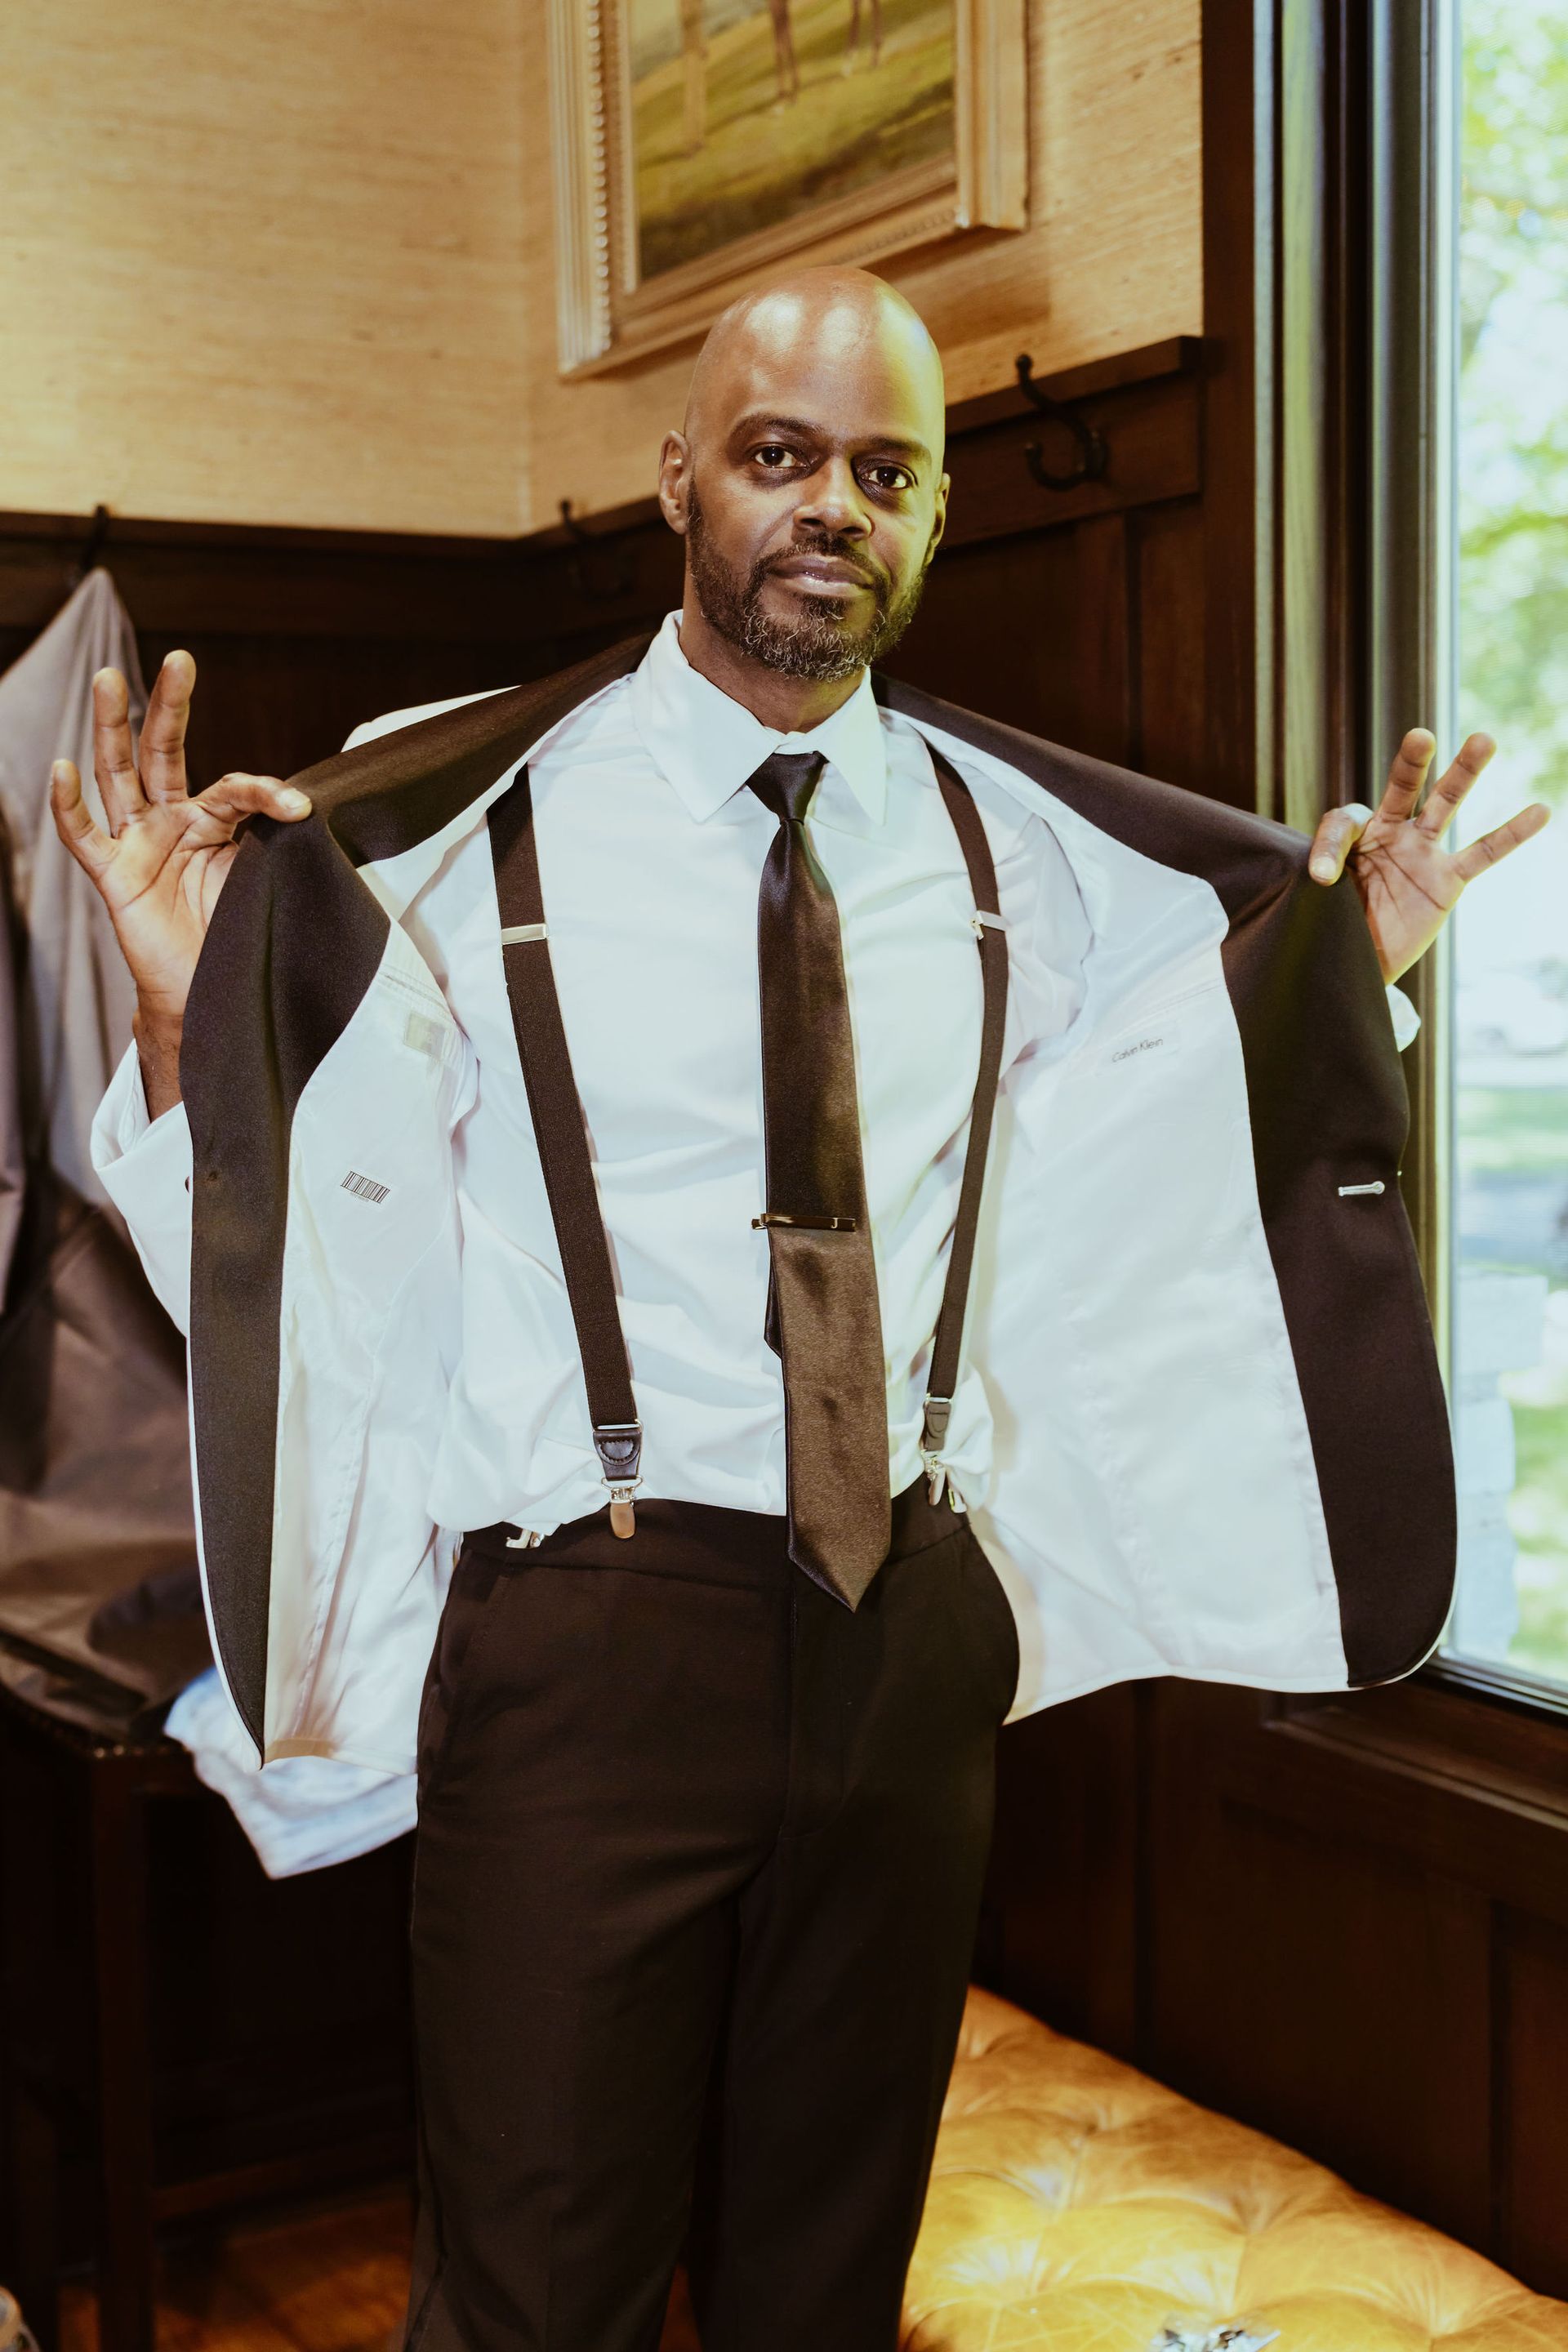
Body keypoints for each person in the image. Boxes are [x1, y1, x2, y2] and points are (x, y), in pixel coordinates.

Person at [56, 268, 1547, 2352]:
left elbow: (1175, 1135)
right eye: (780, 455)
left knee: (825, 2292)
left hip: (907, 1633)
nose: (829, 505)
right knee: (536, 2296)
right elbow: (288, 1206)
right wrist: (163, 975)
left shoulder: (1029, 840)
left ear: (931, 517)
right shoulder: (436, 818)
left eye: (885, 470)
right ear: (682, 477)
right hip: (591, 1641)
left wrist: (1352, 955)